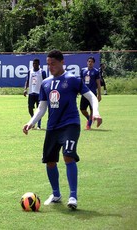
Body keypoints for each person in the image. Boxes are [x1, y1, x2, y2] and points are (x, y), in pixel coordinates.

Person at [22, 50, 102, 210]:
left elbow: (91, 96)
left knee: (68, 156)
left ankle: (73, 196)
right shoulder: (45, 83)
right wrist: (31, 122)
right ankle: (56, 194)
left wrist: (96, 112)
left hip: (70, 125)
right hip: (52, 127)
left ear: (62, 62)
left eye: (53, 63)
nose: (50, 67)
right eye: (48, 64)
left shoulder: (73, 80)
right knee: (50, 161)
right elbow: (42, 108)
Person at [23, 58, 47, 129]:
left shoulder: (42, 72)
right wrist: (25, 89)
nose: (34, 65)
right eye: (33, 63)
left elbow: (45, 82)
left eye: (36, 63)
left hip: (39, 93)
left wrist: (45, 91)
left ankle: (38, 125)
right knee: (30, 108)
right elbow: (27, 81)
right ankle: (33, 120)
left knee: (39, 109)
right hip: (31, 92)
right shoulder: (30, 71)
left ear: (39, 64)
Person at [79, 56, 101, 130]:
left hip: (93, 94)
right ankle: (89, 119)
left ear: (94, 63)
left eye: (91, 62)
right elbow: (80, 82)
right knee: (82, 109)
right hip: (84, 93)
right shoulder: (83, 70)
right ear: (87, 62)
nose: (90, 63)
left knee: (92, 109)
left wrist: (99, 94)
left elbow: (98, 83)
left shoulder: (96, 71)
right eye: (89, 61)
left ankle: (89, 125)